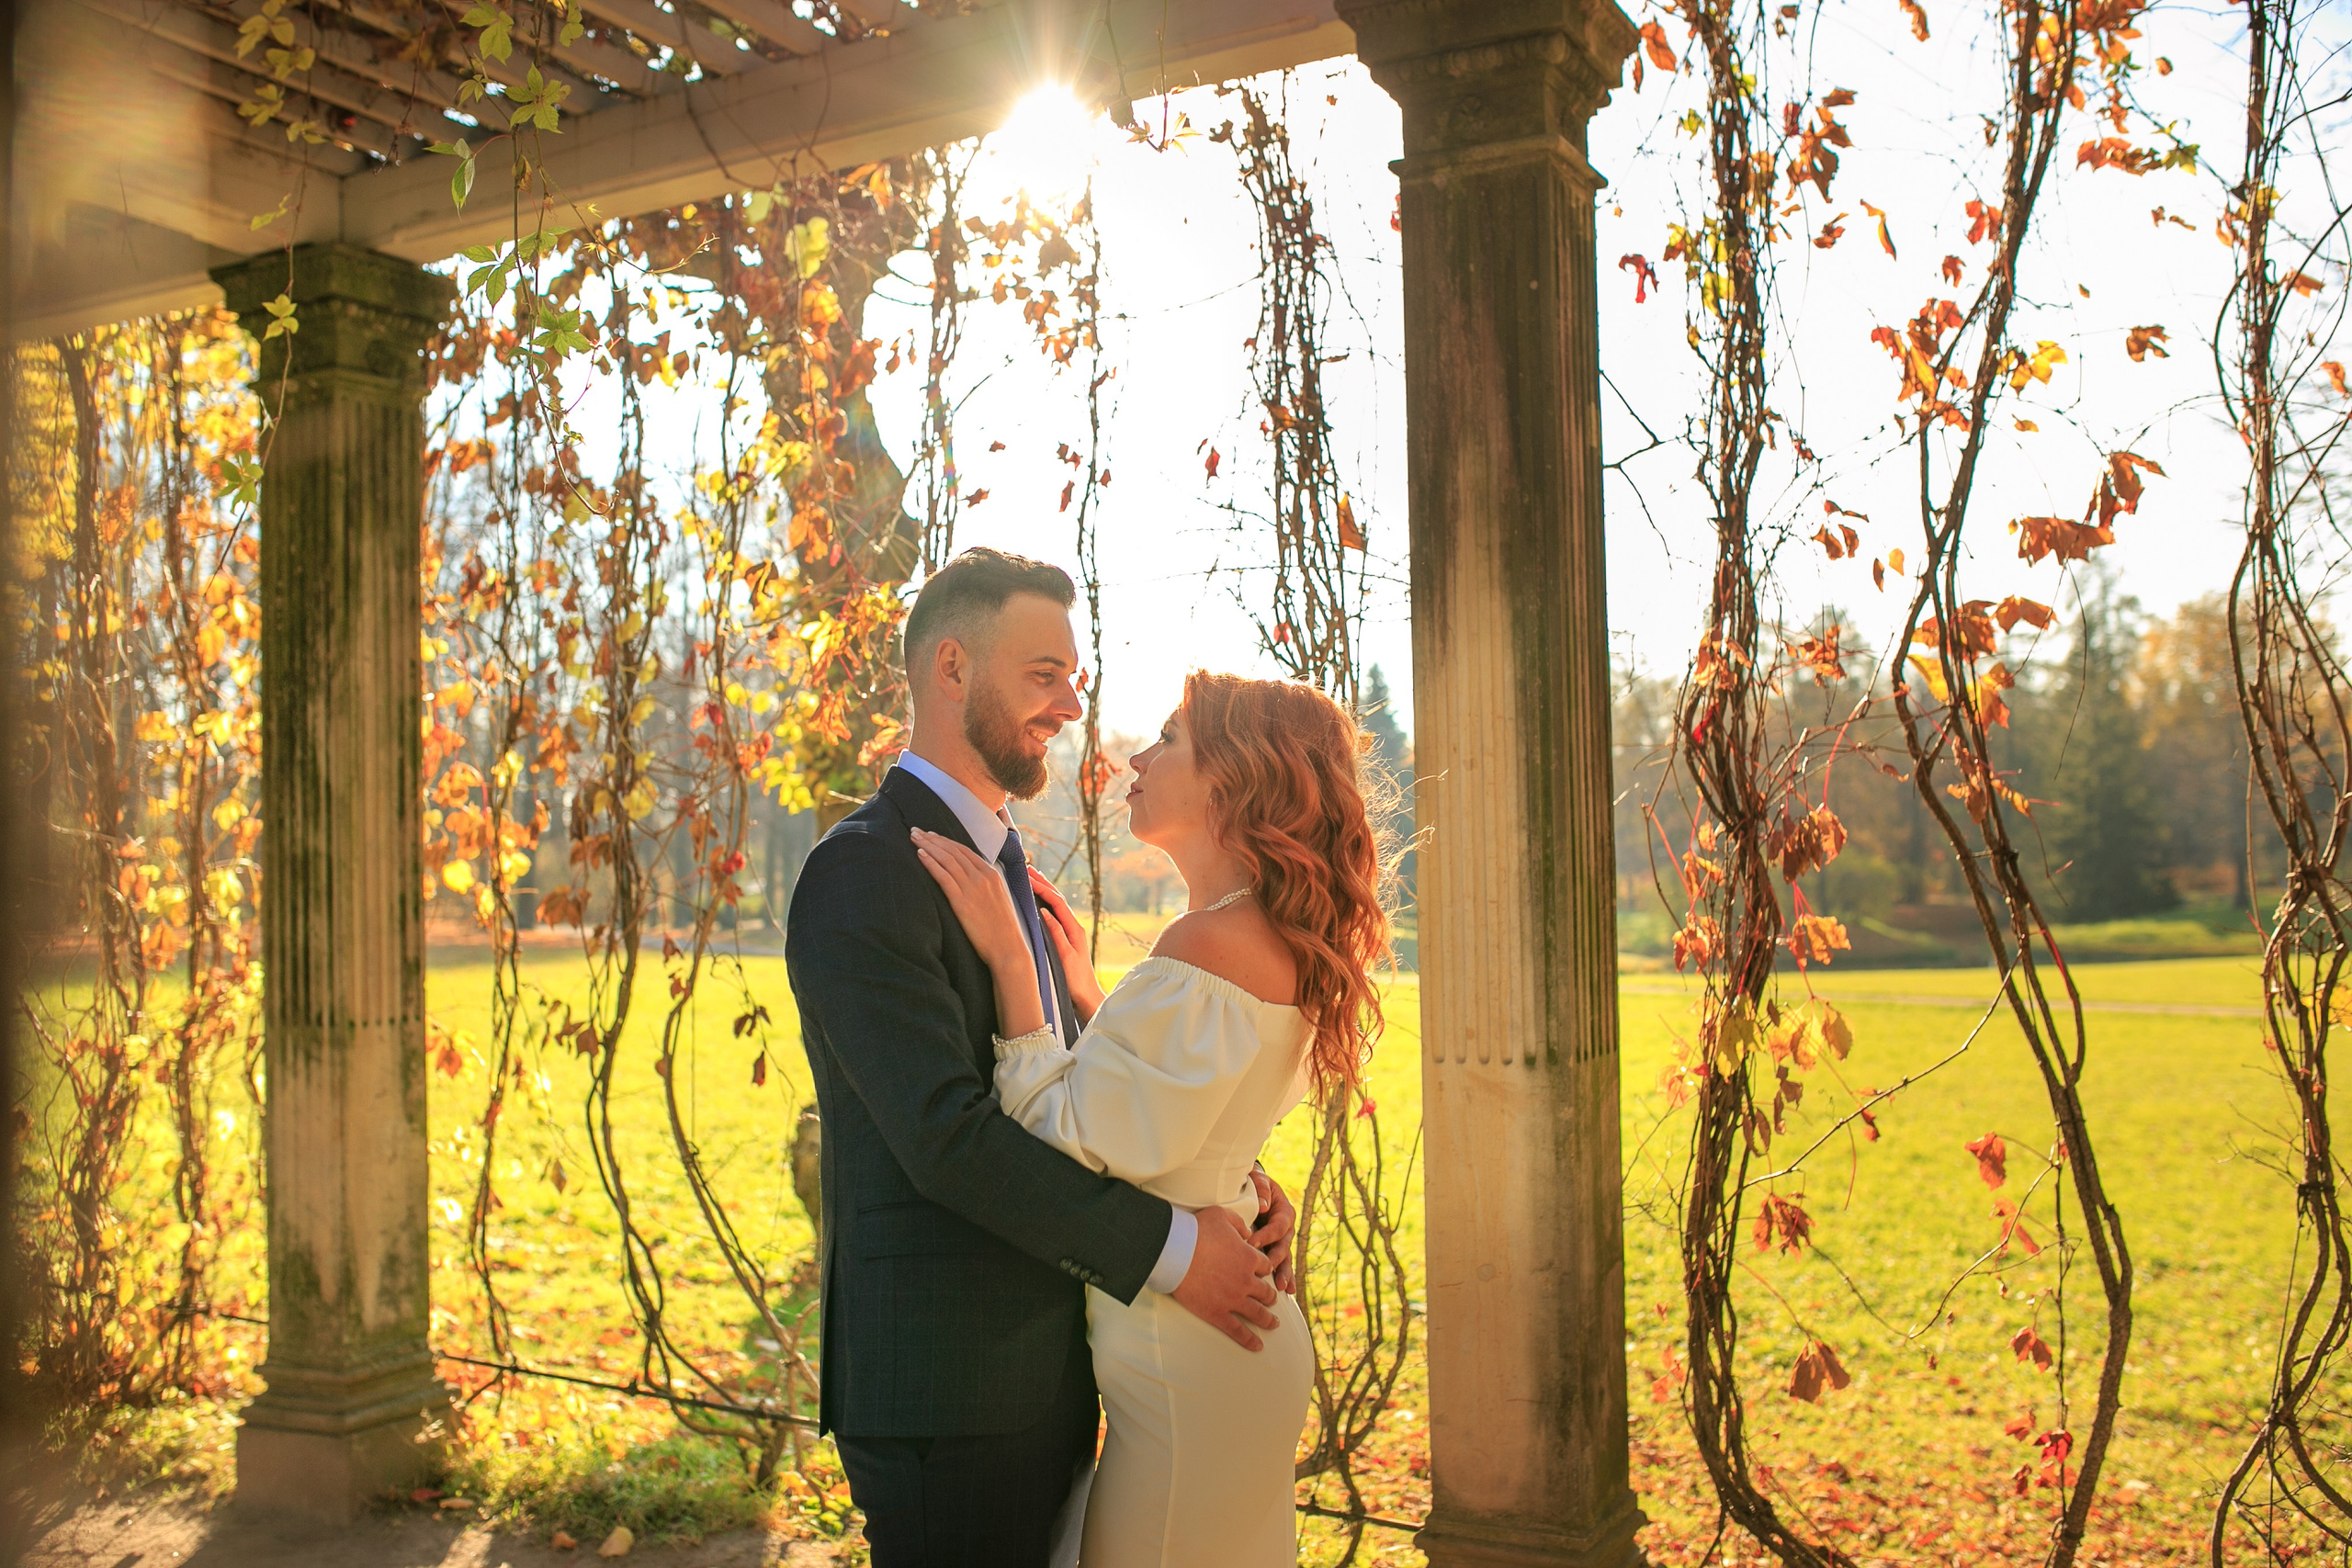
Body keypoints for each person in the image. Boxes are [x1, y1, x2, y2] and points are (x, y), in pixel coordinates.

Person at [784, 547, 1301, 1567]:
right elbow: (945, 1139)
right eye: (1042, 675)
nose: (1071, 707)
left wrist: (1228, 1182)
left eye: (1073, 678)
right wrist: (1174, 1247)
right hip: (948, 1390)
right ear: (950, 668)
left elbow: (1088, 1102)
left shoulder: (1020, 876)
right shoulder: (862, 873)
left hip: (1051, 1371)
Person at [910, 668, 1389, 1568]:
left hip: (1190, 1355)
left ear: (1233, 776)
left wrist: (1016, 971)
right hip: (1233, 1343)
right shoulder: (1264, 936)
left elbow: (1061, 1139)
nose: (1137, 755)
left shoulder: (1207, 946)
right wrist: (1095, 1000)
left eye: (1168, 739)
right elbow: (1196, 1115)